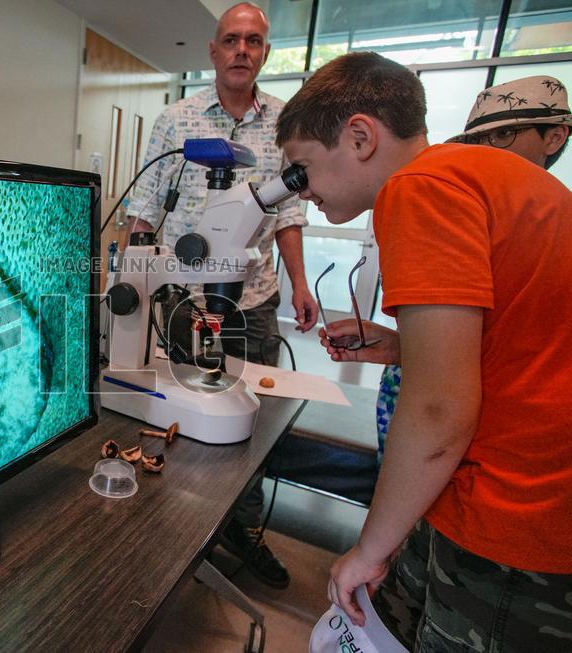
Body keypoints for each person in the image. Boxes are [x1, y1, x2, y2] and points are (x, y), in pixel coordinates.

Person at [276, 52, 572, 651]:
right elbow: (519, 337)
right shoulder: (491, 175)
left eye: (302, 170)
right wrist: (399, 346)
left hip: (514, 512)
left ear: (360, 137)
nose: (302, 197)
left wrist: (369, 548)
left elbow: (439, 409)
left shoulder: (419, 190)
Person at [126, 2, 319, 590]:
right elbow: (142, 210)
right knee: (180, 411)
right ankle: (176, 527)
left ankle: (243, 529)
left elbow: (287, 213)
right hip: (183, 298)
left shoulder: (286, 126)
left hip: (251, 295)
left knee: (248, 420)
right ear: (213, 51)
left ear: (265, 52)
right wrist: (131, 280)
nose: (242, 50)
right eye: (231, 40)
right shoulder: (175, 120)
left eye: (254, 41)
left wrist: (301, 285)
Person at [374, 75, 571, 465]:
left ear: (554, 137)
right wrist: (402, 347)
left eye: (503, 136)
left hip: (498, 442)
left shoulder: (550, 223)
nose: (486, 151)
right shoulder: (464, 204)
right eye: (477, 141)